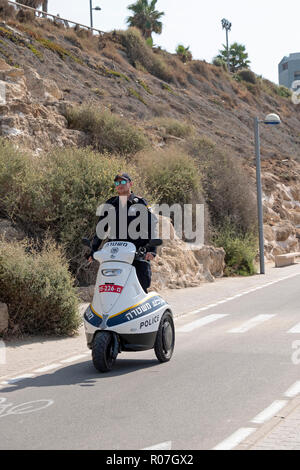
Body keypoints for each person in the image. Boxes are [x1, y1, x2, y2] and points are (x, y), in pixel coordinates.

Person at [88, 173, 158, 293]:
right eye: (117, 183)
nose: (119, 185)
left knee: (140, 287)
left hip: (137, 252)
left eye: (122, 182)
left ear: (130, 184)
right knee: (113, 287)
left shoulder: (140, 203)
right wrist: (93, 250)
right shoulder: (110, 203)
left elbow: (152, 226)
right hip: (116, 253)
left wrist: (152, 250)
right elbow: (101, 229)